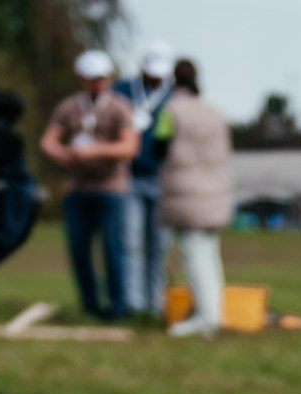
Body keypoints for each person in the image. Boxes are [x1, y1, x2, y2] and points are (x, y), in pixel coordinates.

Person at [40, 51, 141, 322]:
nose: (96, 84)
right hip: (78, 189)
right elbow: (48, 140)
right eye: (90, 79)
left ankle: (118, 306)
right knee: (78, 249)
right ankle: (90, 304)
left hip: (112, 190)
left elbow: (129, 146)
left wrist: (95, 151)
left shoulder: (119, 107)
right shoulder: (69, 107)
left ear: (108, 78)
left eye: (100, 79)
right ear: (81, 79)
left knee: (113, 248)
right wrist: (60, 153)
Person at [158, 59, 232, 338]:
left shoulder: (171, 112)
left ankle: (206, 318)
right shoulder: (216, 112)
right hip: (217, 192)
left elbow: (158, 147)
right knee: (210, 255)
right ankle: (213, 313)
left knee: (193, 255)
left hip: (185, 193)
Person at [116, 45, 176, 318]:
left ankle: (156, 304)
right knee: (131, 243)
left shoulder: (175, 97)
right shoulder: (122, 91)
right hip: (129, 178)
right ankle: (134, 303)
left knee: (158, 247)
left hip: (164, 179)